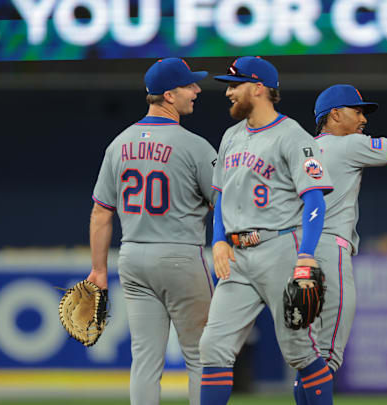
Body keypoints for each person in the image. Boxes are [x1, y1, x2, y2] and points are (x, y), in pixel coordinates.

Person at [198, 56, 335, 405]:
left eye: (235, 85)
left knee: (300, 351)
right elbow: (221, 198)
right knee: (213, 347)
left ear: (258, 88)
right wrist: (216, 242)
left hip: (280, 249)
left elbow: (315, 200)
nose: (228, 92)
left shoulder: (294, 136)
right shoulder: (230, 137)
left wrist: (306, 254)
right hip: (237, 256)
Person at [290, 53, 387, 403]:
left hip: (293, 253)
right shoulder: (347, 144)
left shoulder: (299, 149)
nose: (363, 119)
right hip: (328, 251)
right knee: (327, 359)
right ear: (334, 115)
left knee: (308, 358)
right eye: (357, 110)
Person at [88, 58, 217, 405]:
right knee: (201, 357)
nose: (197, 90)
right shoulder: (194, 145)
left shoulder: (118, 144)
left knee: (144, 359)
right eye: (190, 85)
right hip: (179, 254)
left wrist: (99, 270)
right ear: (170, 95)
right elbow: (224, 203)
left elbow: (101, 212)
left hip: (132, 257)